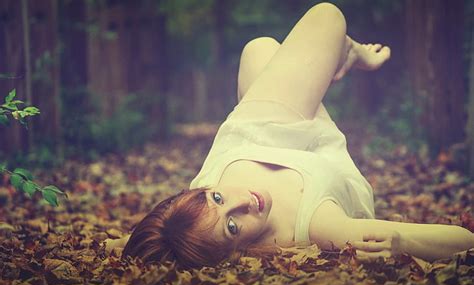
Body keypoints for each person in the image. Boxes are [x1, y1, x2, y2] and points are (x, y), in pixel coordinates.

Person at [120, 2, 474, 268]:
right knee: (327, 16)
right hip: (319, 152)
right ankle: (343, 50)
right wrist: (400, 241)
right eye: (232, 226)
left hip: (255, 131)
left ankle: (339, 55)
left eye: (216, 198)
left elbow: (148, 242)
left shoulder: (188, 223)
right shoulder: (317, 227)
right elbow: (463, 240)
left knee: (259, 48)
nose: (245, 202)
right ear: (234, 253)